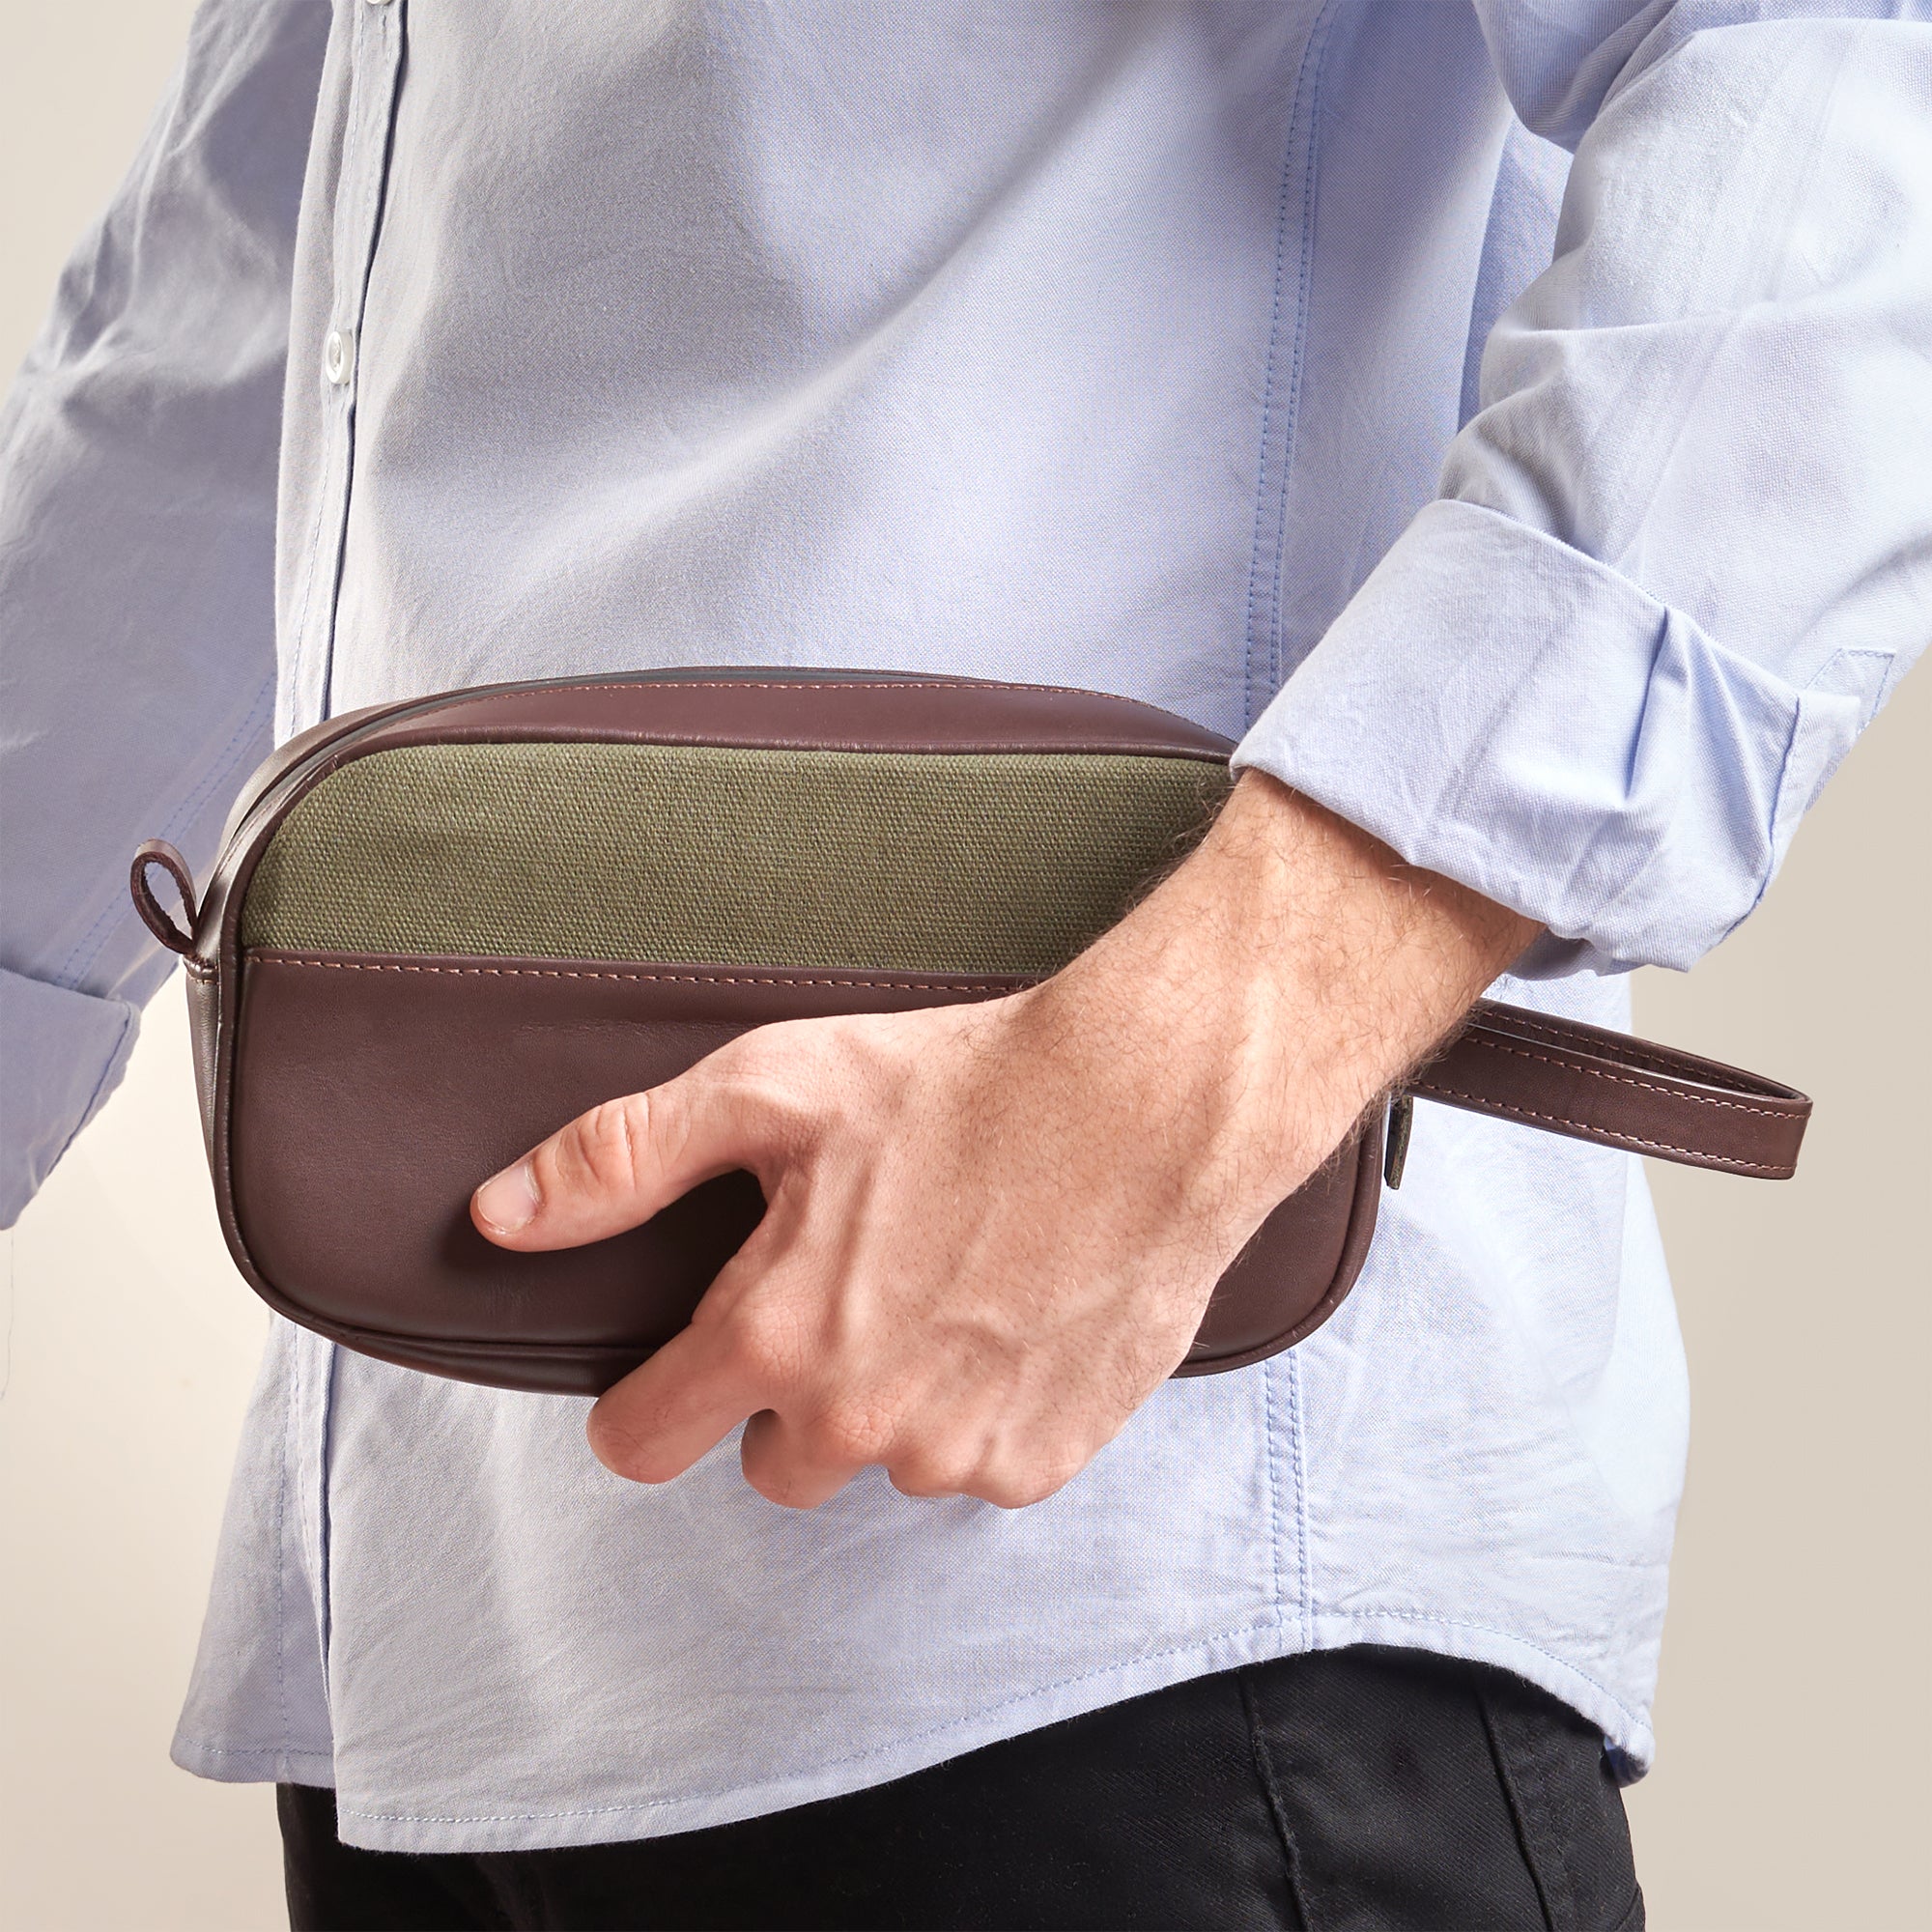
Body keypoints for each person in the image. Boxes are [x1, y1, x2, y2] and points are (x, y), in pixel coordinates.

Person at [3, 4, 1924, 1927]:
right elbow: (220, 347)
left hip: (1128, 1600)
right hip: (439, 1645)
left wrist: (1179, 1071)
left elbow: (1836, 79)